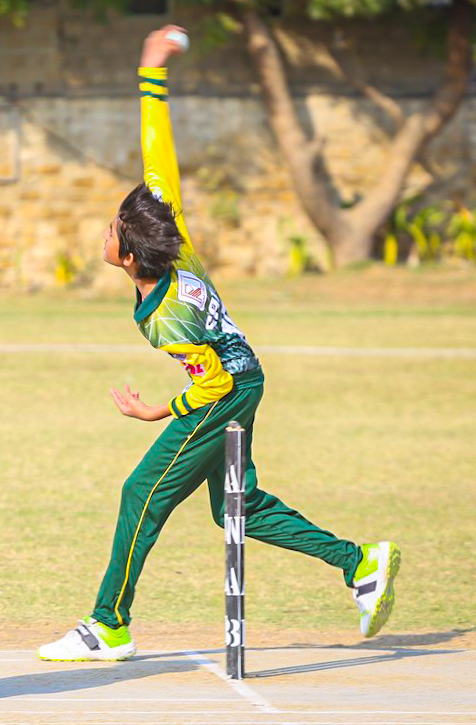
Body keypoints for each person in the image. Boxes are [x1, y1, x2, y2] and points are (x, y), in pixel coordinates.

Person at [38, 27, 400, 662]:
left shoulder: (165, 316)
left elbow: (212, 382)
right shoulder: (176, 248)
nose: (105, 232)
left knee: (140, 494)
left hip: (226, 387)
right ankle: (360, 562)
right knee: (240, 507)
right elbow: (159, 161)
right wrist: (151, 75)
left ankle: (108, 624)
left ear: (129, 256)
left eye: (111, 230)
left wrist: (158, 410)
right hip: (246, 374)